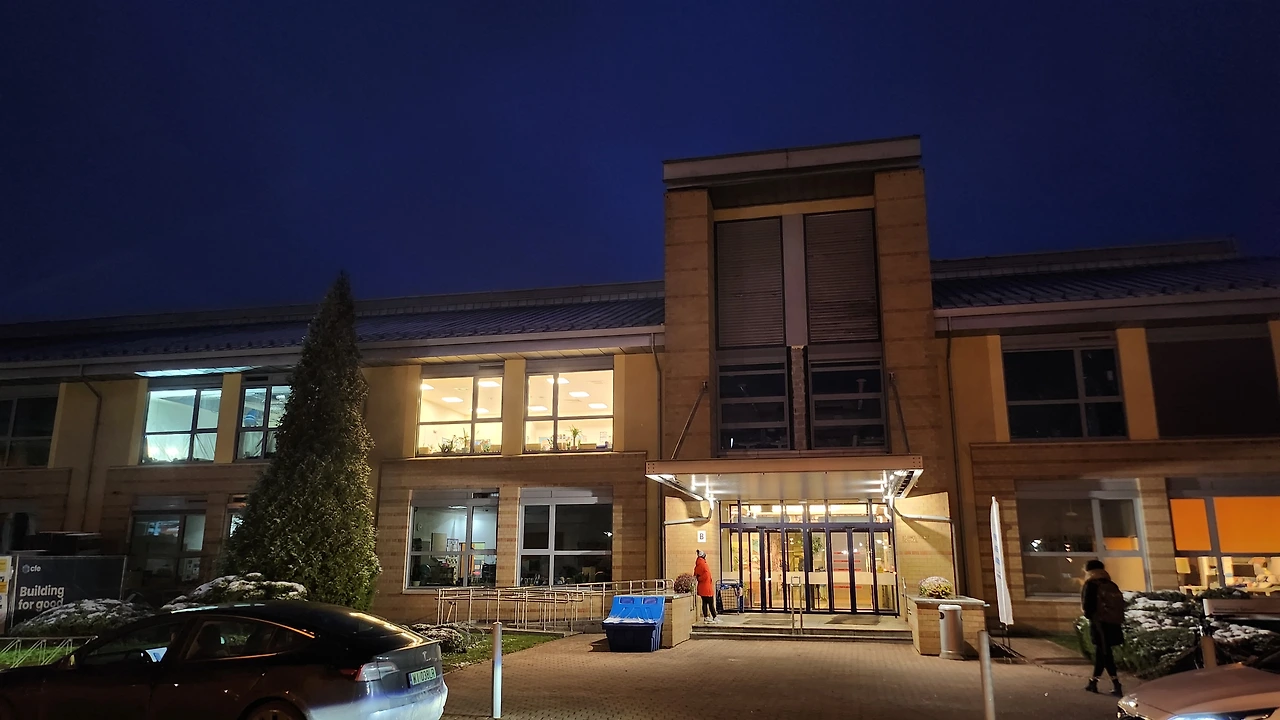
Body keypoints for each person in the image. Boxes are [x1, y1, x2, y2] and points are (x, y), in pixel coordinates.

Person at [1081, 559, 1125, 696]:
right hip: (1113, 623)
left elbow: (1087, 607)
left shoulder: (1091, 584)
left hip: (1099, 624)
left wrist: (1089, 615)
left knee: (1105, 654)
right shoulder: (1110, 583)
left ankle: (1116, 684)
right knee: (1102, 653)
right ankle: (1093, 683)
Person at [693, 549, 718, 623]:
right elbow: (707, 575)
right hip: (707, 587)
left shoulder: (697, 566)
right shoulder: (704, 565)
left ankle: (706, 617)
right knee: (710, 603)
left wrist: (699, 579)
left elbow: (695, 575)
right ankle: (714, 617)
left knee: (704, 602)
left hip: (701, 587)